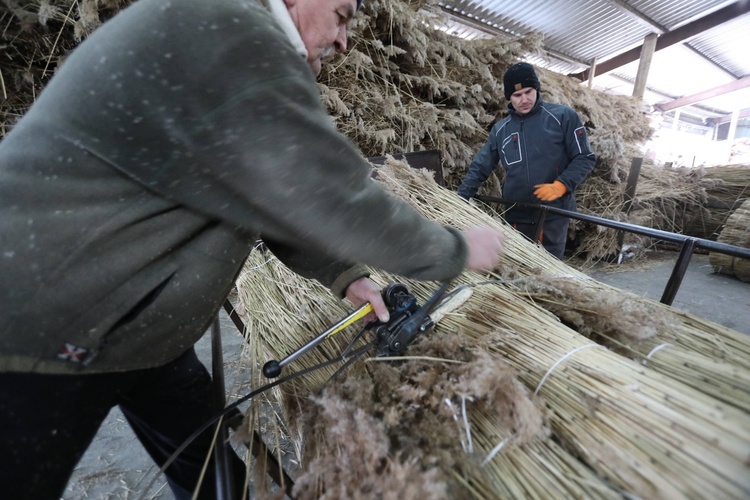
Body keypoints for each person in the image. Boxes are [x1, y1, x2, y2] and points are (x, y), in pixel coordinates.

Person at [0, 0, 505, 498]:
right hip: (44, 320)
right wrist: (454, 249)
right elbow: (323, 190)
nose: (344, 40)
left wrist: (345, 275)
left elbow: (270, 194)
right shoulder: (230, 28)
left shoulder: (232, 36)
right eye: (341, 16)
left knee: (207, 468)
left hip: (139, 332)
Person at [457, 62, 595, 259]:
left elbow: (584, 157)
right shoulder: (501, 130)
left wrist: (562, 185)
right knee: (517, 267)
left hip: (552, 214)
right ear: (509, 98)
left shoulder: (562, 117)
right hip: (516, 214)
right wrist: (461, 196)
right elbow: (481, 166)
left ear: (537, 89)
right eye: (516, 95)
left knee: (548, 270)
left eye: (528, 92)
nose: (524, 99)